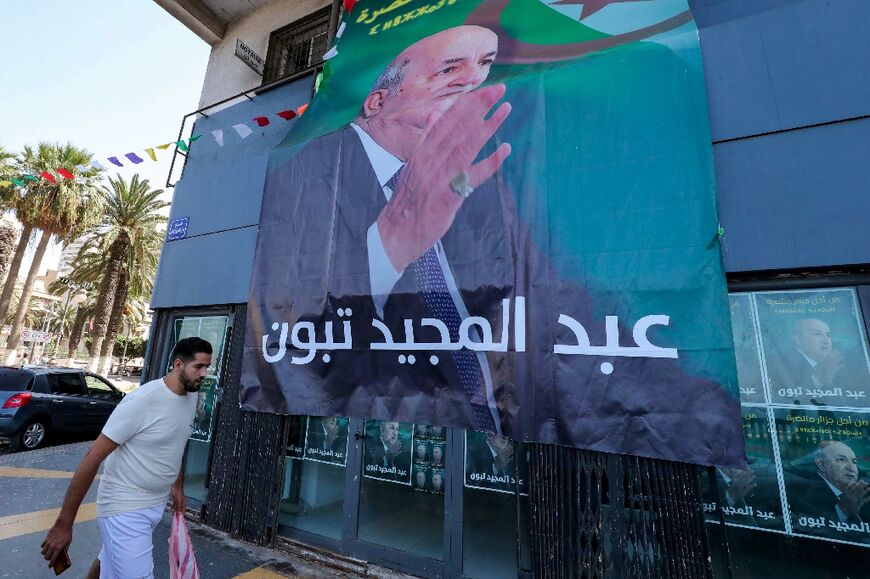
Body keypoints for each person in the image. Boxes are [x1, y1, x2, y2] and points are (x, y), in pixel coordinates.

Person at [242, 23, 744, 467]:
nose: (472, 81)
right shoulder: (306, 171)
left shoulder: (477, 185)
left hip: (494, 432)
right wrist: (390, 243)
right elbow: (297, 313)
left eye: (483, 67)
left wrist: (697, 399)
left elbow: (560, 303)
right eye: (449, 69)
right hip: (383, 438)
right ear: (378, 100)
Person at [40, 337, 212, 579]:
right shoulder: (142, 401)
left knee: (107, 561)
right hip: (124, 507)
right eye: (199, 366)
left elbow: (176, 444)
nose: (204, 373)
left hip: (155, 503)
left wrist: (178, 486)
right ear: (178, 364)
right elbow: (92, 458)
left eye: (207, 367)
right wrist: (64, 523)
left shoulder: (192, 396)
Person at [766, 318, 869, 406]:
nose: (826, 341)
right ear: (798, 339)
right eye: (817, 334)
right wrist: (818, 379)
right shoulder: (777, 365)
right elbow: (787, 406)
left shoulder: (842, 364)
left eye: (828, 335)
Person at [788, 440, 870, 540]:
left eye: (854, 462)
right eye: (841, 460)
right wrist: (843, 510)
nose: (851, 467)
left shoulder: (861, 491)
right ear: (821, 464)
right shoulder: (805, 491)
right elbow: (809, 532)